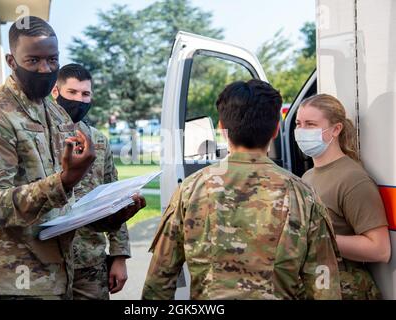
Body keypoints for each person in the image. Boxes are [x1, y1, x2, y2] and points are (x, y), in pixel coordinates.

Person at [0, 16, 145, 300]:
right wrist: (63, 181)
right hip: (13, 282)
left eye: (52, 60)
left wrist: (110, 217)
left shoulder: (55, 113)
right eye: (33, 61)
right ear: (12, 61)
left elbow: (65, 211)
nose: (45, 69)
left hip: (60, 278)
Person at [142, 79, 342, 300]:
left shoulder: (191, 190)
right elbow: (324, 287)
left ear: (221, 128)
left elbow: (159, 281)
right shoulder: (303, 195)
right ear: (276, 129)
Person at [295, 93, 391, 299]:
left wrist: (315, 239)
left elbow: (380, 249)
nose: (301, 131)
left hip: (346, 290)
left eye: (310, 124)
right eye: (298, 124)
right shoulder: (308, 176)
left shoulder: (353, 179)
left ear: (336, 129)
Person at [51, 64, 130, 300]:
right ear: (56, 92)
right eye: (72, 92)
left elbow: (115, 197)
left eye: (86, 94)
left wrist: (119, 256)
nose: (80, 100)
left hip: (91, 262)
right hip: (49, 262)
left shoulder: (99, 141)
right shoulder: (41, 137)